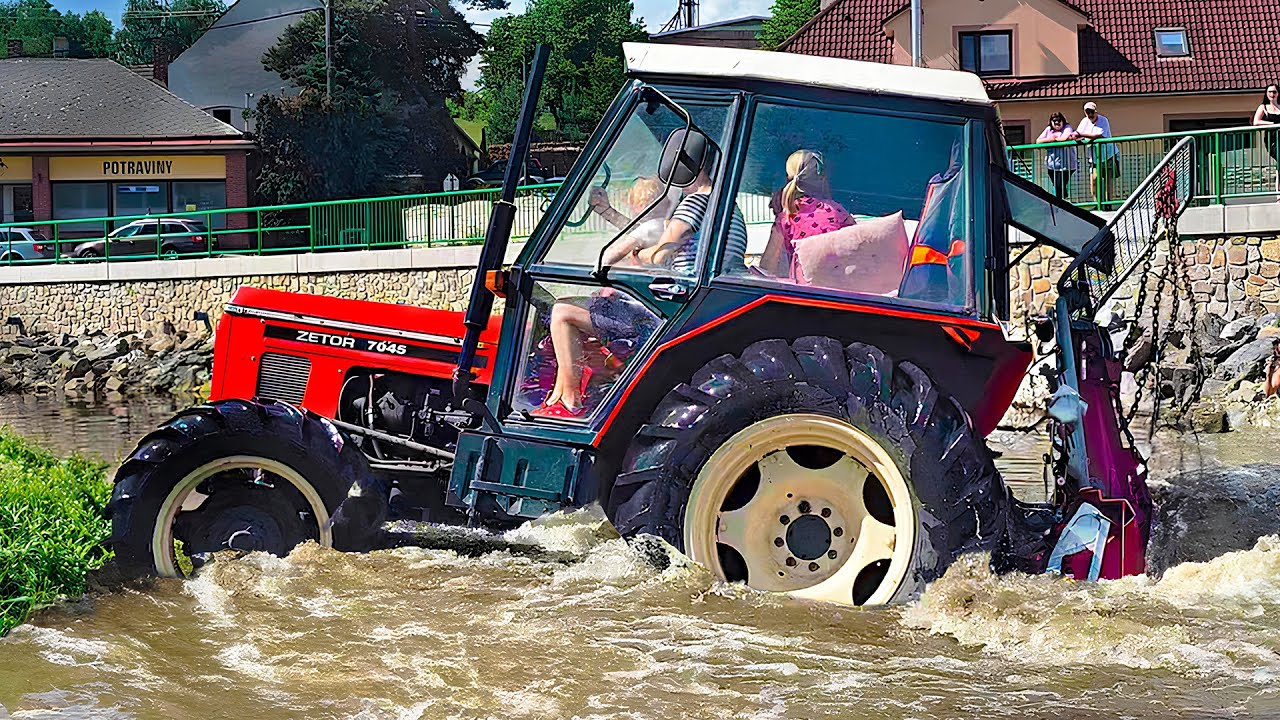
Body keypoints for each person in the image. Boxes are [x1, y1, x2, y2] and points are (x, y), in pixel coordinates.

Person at [533, 135, 748, 418]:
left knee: (562, 311)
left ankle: (569, 400)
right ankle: (565, 395)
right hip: (698, 307)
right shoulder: (729, 207)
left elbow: (660, 256)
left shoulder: (695, 203)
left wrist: (639, 257)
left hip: (672, 310)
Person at [758, 150, 854, 281]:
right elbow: (858, 245)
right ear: (821, 179)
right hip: (836, 288)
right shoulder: (836, 211)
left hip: (803, 290)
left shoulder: (786, 216)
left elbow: (768, 265)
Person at [1077, 101, 1120, 204]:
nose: (1090, 114)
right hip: (1094, 157)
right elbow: (1077, 134)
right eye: (1088, 112)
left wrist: (1082, 135)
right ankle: (1096, 203)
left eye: (1092, 112)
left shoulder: (1103, 120)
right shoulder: (1084, 121)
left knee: (1107, 180)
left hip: (1108, 154)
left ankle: (1108, 203)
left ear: (1096, 111)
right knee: (1094, 179)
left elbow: (1099, 134)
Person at [1036, 112, 1078, 199]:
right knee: (1057, 186)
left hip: (1067, 165)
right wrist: (1052, 139)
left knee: (1059, 186)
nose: (1057, 123)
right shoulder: (1048, 130)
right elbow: (1038, 141)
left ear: (1063, 121)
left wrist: (1055, 140)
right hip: (1052, 165)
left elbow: (1064, 138)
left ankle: (1060, 205)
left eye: (1059, 120)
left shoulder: (1067, 128)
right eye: (1054, 121)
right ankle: (1062, 199)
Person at [1253, 84, 1280, 196]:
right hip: (1273, 140)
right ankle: (1278, 192)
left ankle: (1278, 192)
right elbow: (1256, 122)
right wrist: (1273, 124)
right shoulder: (1263, 107)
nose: (1272, 94)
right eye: (1269, 92)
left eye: (1274, 92)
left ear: (1278, 93)